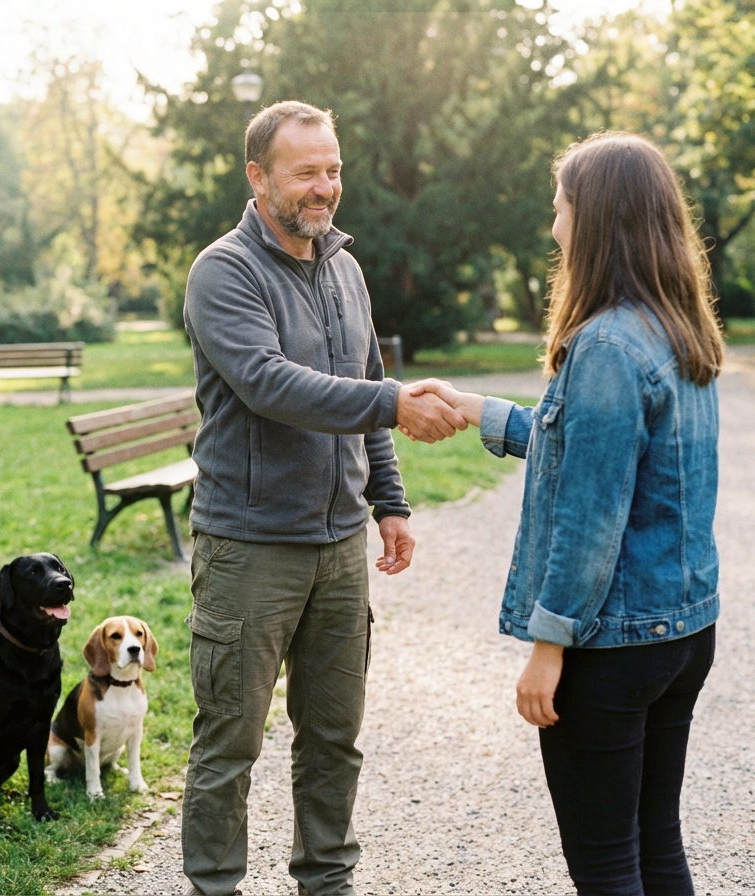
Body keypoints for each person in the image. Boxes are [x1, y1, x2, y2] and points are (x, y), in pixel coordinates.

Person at [408, 132, 723, 895]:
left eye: (561, 209)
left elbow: (591, 514)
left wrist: (549, 645)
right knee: (655, 847)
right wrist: (485, 411)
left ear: (597, 218)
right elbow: (589, 450)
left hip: (610, 648)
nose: (554, 227)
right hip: (680, 632)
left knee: (609, 865)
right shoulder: (677, 328)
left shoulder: (608, 344)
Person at [180, 100, 467, 896]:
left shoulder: (345, 267)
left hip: (340, 549)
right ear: (258, 176)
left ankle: (327, 882)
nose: (324, 187)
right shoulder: (223, 271)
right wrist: (392, 404)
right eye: (306, 171)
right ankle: (214, 887)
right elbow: (272, 385)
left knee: (334, 739)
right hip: (249, 547)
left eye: (333, 169)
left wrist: (391, 501)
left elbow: (364, 384)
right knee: (228, 742)